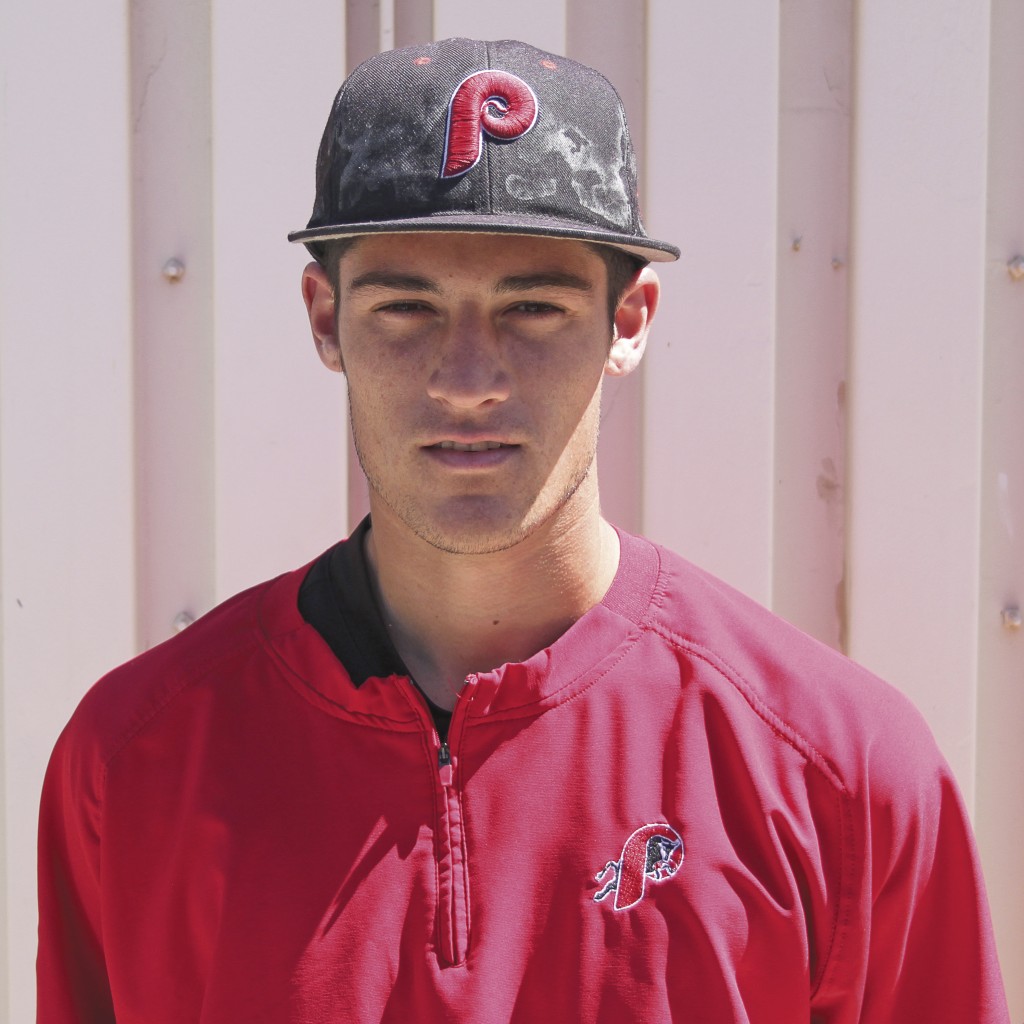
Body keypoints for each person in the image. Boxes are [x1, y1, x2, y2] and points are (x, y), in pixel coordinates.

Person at [37, 37, 1009, 1024]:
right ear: (324, 317)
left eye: (533, 306)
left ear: (627, 318)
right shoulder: (134, 763)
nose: (468, 378)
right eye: (405, 306)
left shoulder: (838, 770)